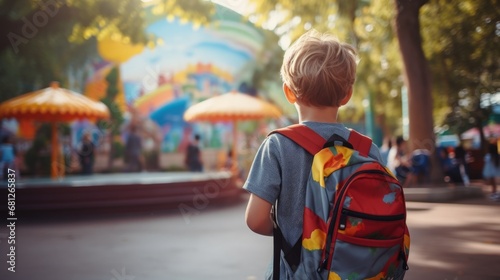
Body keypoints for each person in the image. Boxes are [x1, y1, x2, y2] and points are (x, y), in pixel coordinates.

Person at [243, 30, 384, 279]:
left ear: (289, 92)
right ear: (347, 95)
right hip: (355, 270)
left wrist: (293, 234)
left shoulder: (278, 145)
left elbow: (255, 220)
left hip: (297, 272)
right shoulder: (366, 149)